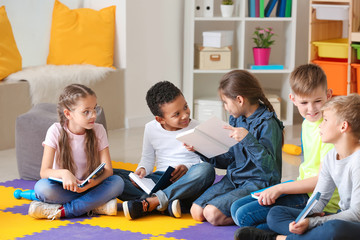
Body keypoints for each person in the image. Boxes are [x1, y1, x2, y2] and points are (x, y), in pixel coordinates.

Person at [231, 64, 340, 232]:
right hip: (303, 187)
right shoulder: (306, 123)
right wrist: (280, 189)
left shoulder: (328, 128)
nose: (311, 109)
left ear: (328, 95)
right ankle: (294, 224)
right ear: (293, 99)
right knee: (236, 208)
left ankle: (315, 223)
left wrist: (280, 188)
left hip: (320, 199)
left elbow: (322, 181)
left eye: (318, 101)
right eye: (304, 102)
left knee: (244, 216)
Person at [236, 93, 360, 240]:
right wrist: (306, 216)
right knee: (276, 214)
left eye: (325, 120)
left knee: (333, 229)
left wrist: (313, 222)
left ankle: (278, 238)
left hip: (354, 222)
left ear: (343, 126)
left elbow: (356, 213)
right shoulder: (331, 156)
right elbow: (320, 197)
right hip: (340, 215)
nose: (320, 124)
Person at [188, 69, 284, 226]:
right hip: (234, 179)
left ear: (239, 99)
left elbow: (270, 170)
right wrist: (200, 149)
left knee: (211, 214)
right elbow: (228, 159)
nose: (225, 108)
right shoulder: (237, 119)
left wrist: (248, 139)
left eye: (225, 102)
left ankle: (255, 214)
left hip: (258, 183)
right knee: (196, 211)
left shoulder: (268, 123)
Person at [114, 81, 215, 220]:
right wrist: (142, 170)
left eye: (185, 107)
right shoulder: (150, 128)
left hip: (187, 180)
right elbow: (147, 158)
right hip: (159, 179)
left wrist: (187, 168)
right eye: (177, 114)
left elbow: (204, 160)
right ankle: (169, 205)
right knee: (113, 175)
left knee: (206, 169)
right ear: (160, 119)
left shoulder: (198, 128)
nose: (185, 115)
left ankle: (153, 202)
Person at [28, 84, 124, 220]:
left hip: (91, 186)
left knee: (118, 182)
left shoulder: (99, 130)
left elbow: (108, 170)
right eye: (86, 111)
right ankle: (95, 205)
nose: (94, 115)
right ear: (68, 114)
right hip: (64, 189)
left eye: (94, 109)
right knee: (42, 188)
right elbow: (44, 172)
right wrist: (64, 173)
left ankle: (64, 211)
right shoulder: (55, 131)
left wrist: (91, 184)